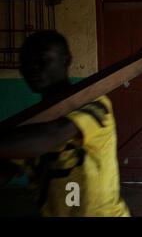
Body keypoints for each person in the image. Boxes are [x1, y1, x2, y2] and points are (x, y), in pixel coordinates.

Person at [0, 30, 130, 217]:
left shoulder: (94, 103)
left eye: (43, 58)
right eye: (26, 62)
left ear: (66, 60)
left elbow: (50, 135)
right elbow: (7, 167)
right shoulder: (30, 126)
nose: (34, 67)